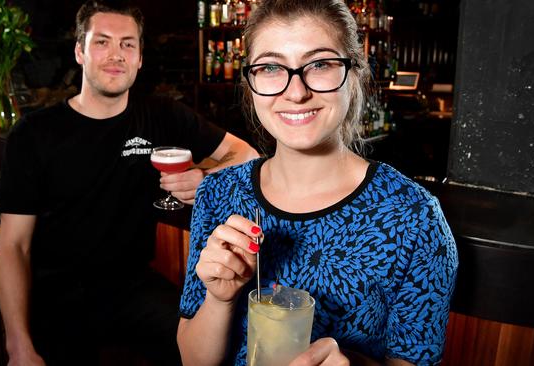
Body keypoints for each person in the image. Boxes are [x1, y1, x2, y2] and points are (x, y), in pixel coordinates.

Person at [177, 0, 458, 365]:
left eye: (321, 64)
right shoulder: (218, 194)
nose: (295, 92)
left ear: (354, 73)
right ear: (250, 83)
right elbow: (193, 360)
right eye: (272, 67)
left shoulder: (416, 218)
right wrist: (220, 299)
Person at [0, 1, 259, 365]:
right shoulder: (34, 134)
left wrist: (206, 179)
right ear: (79, 52)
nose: (115, 54)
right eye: (101, 42)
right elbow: (14, 247)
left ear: (139, 58)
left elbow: (246, 155)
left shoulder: (163, 114)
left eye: (127, 44)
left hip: (132, 285)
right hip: (54, 294)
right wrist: (18, 345)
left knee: (210, 348)